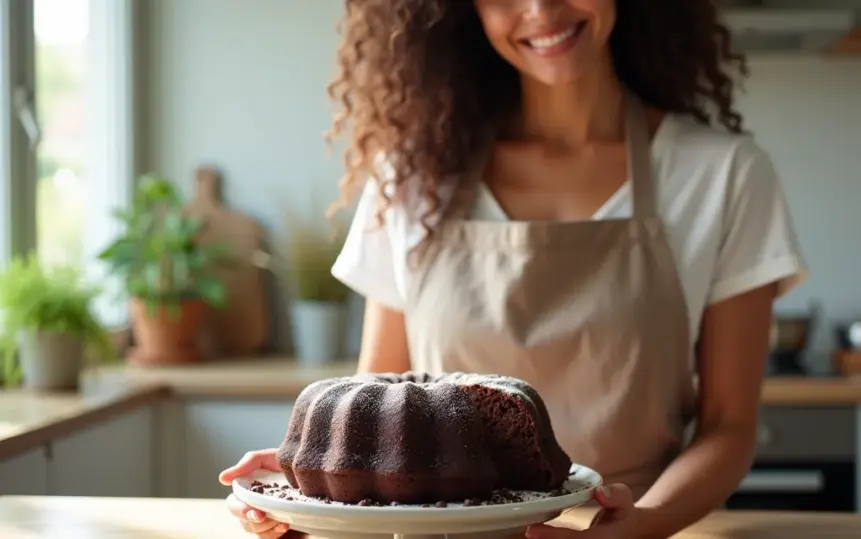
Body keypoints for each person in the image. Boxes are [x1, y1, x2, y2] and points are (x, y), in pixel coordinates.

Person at [219, 0, 808, 537]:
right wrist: (306, 493)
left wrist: (644, 523)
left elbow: (729, 425)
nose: (539, 10)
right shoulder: (412, 181)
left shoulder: (724, 176)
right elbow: (377, 403)